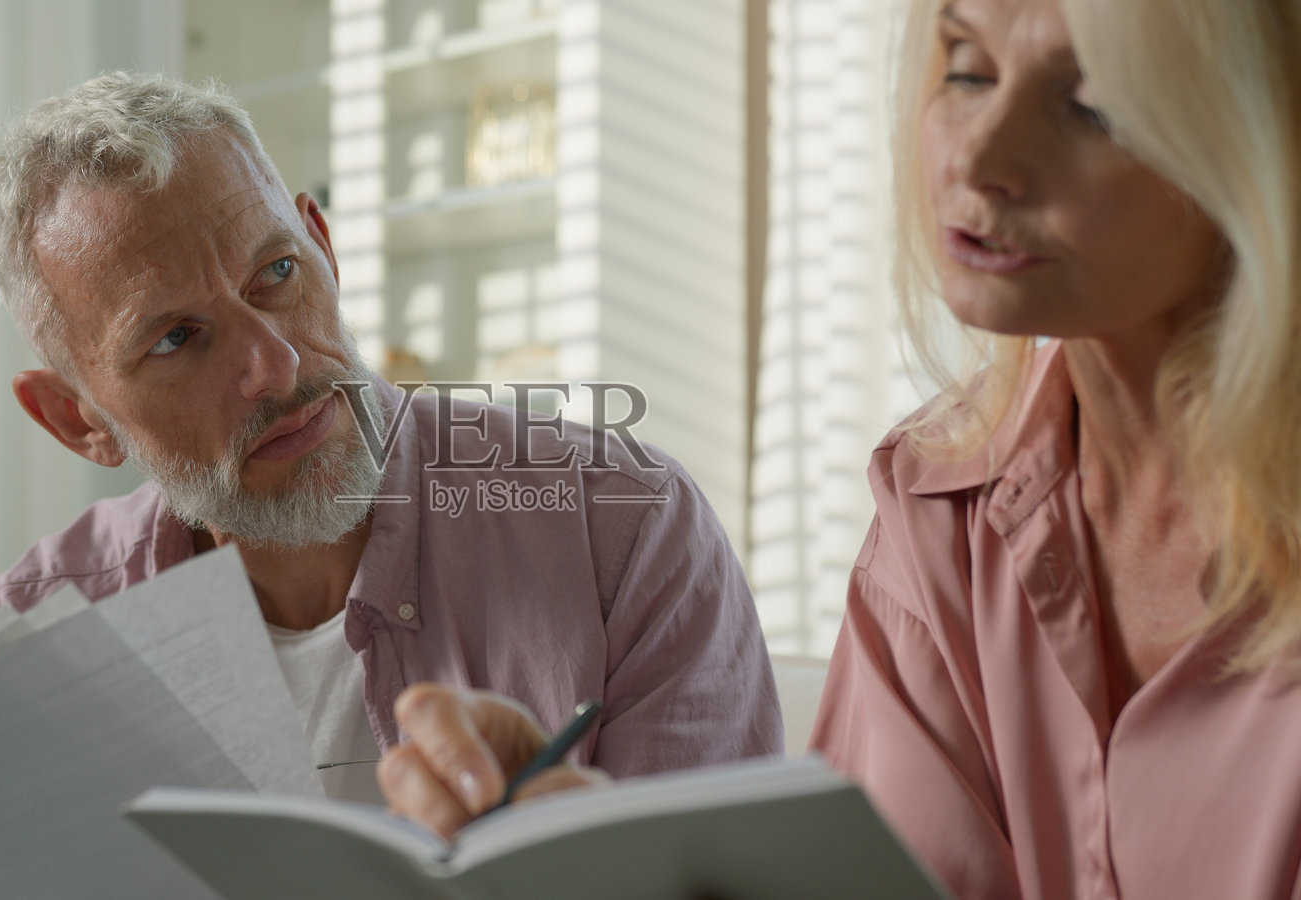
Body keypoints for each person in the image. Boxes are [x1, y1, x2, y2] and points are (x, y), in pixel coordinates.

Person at [385, 0, 1301, 896]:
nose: (979, 158)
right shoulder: (938, 509)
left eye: (1093, 104)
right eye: (967, 69)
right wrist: (609, 857)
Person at [0, 72, 782, 811]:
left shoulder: (620, 534)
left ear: (325, 247)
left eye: (277, 274)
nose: (273, 364)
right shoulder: (23, 650)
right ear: (77, 419)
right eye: (175, 339)